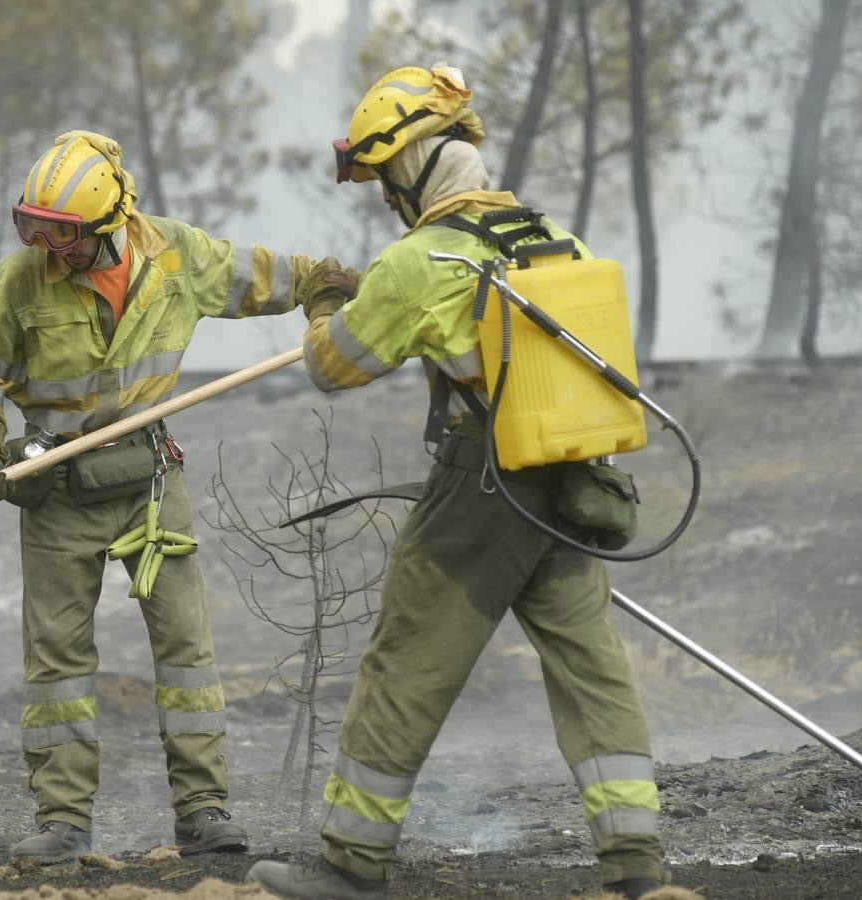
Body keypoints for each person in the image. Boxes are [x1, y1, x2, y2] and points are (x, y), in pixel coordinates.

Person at [247, 66, 668, 900]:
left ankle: (351, 864)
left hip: (484, 488)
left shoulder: (418, 260)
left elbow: (335, 367)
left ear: (405, 167)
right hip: (575, 481)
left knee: (407, 662)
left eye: (380, 181)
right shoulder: (554, 236)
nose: (383, 199)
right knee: (589, 666)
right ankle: (634, 866)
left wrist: (329, 301)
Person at [0, 130, 323, 863]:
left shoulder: (176, 257)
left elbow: (287, 277)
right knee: (57, 662)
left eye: (64, 238)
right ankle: (63, 822)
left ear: (110, 224)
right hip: (53, 489)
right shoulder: (20, 279)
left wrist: (335, 291)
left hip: (151, 484)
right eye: (37, 231)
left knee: (186, 650)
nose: (51, 251)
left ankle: (204, 810)